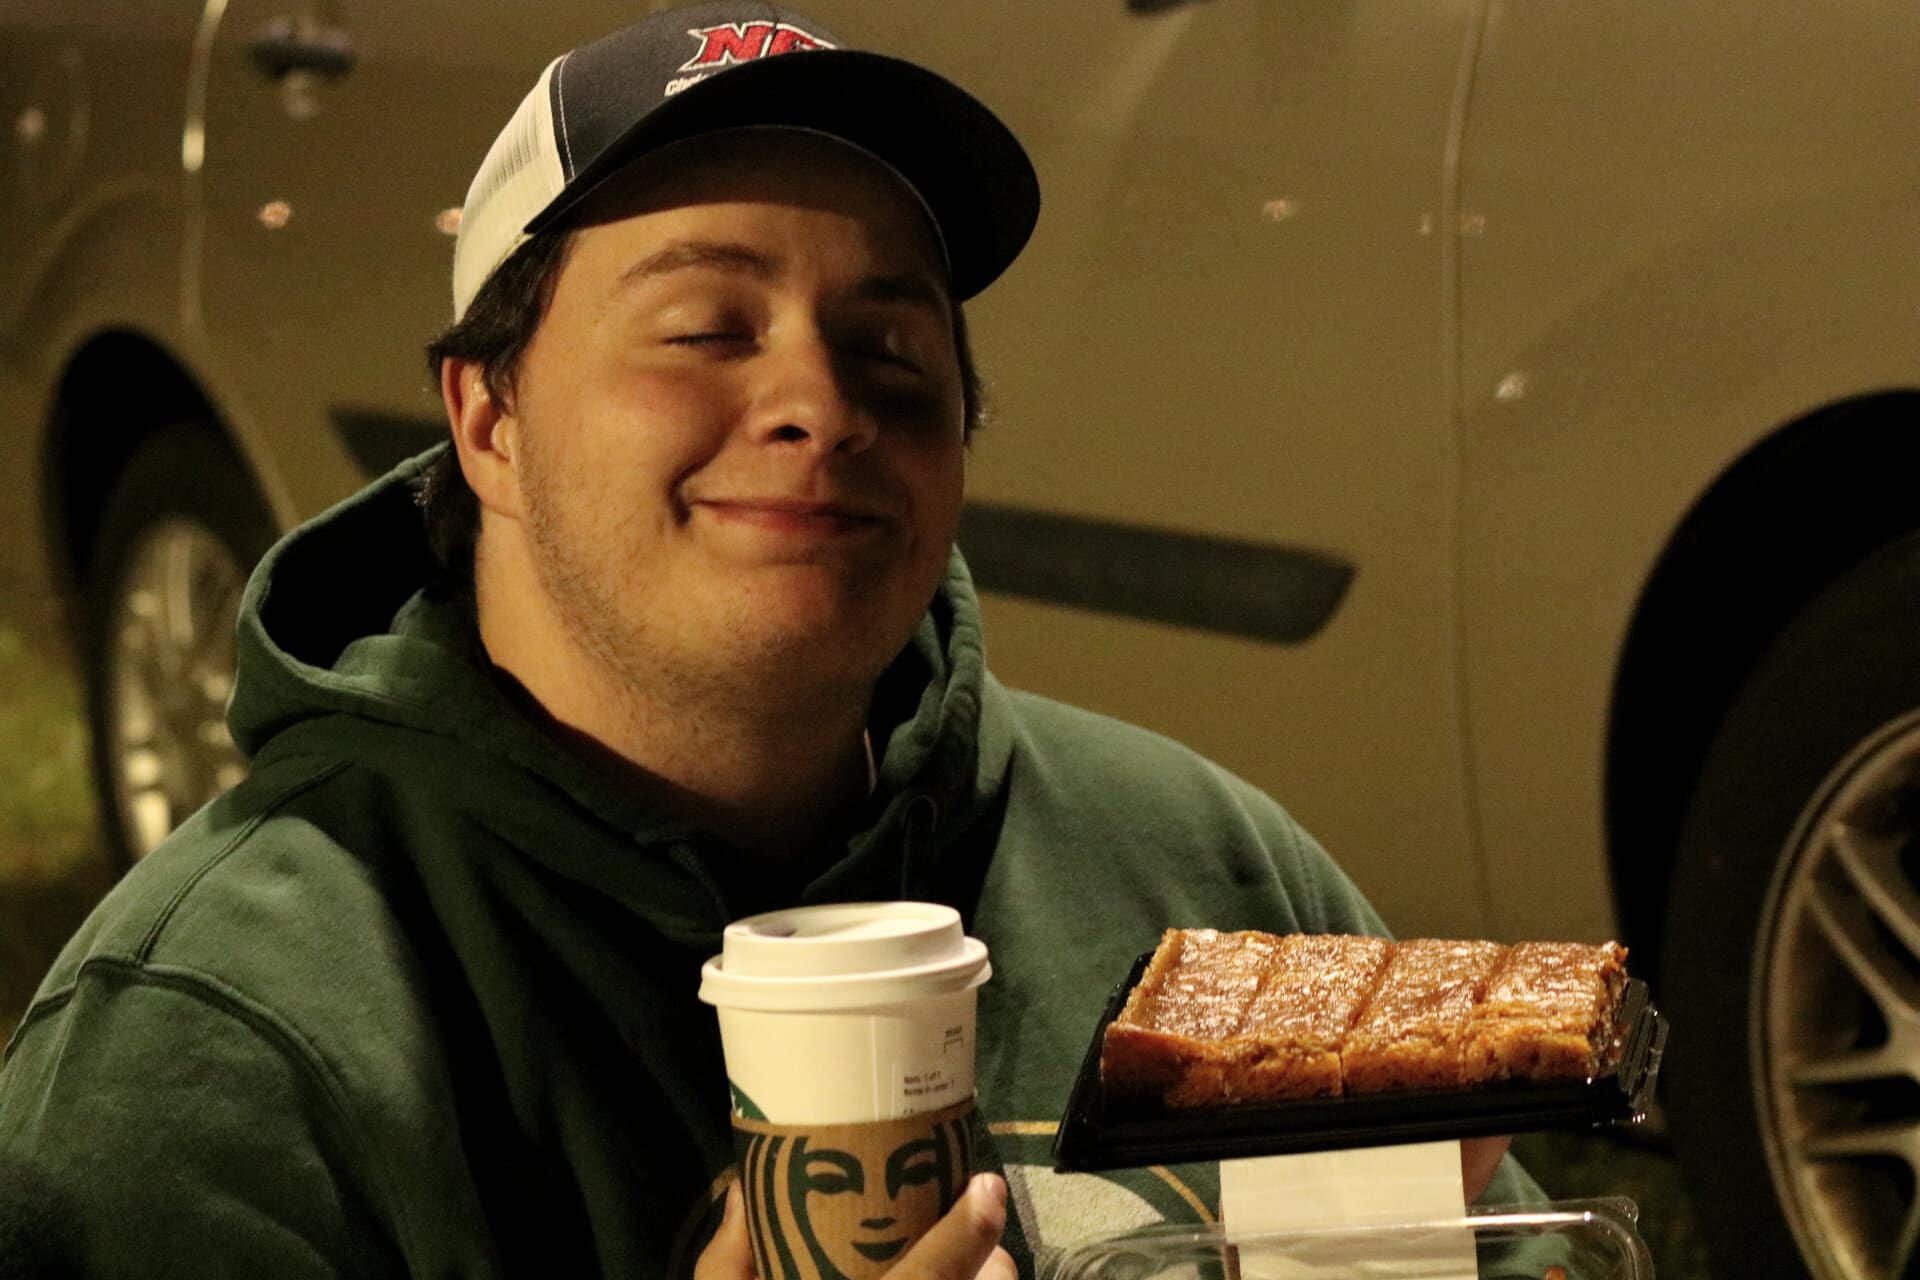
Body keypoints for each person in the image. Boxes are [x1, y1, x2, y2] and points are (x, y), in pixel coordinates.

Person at [0, 3, 1536, 1275]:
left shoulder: (1204, 877)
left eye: (890, 344)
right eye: (705, 328)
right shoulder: (224, 1049)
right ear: (488, 420)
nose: (822, 403)